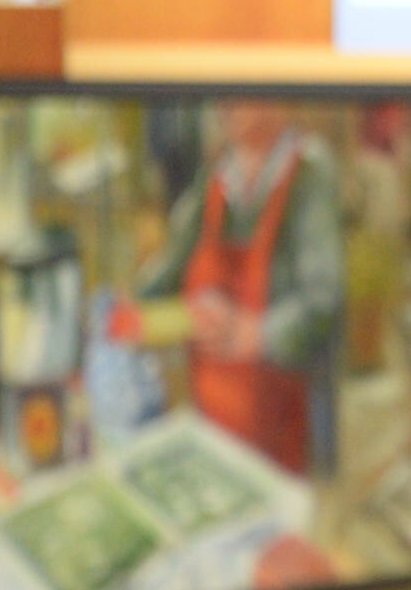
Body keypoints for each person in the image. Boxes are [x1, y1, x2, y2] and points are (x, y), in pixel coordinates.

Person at [116, 99, 343, 478]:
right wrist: (134, 303)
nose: (224, 106)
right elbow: (173, 264)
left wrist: (254, 333)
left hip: (278, 415)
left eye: (240, 95)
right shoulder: (218, 177)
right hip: (213, 408)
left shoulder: (308, 175)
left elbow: (324, 300)